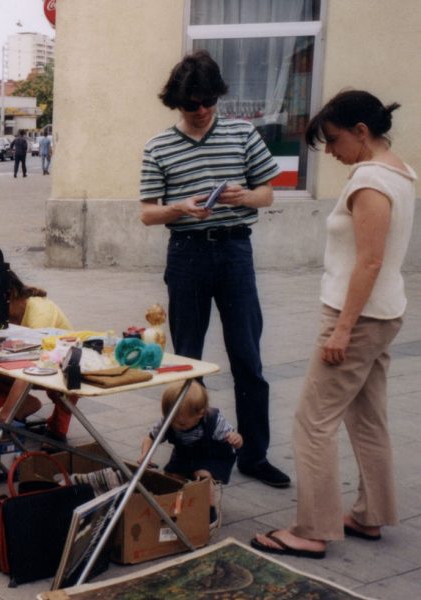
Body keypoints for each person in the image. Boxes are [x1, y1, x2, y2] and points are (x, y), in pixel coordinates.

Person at [251, 91, 414, 559]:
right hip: (381, 313)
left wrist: (342, 329)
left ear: (361, 132)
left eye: (335, 140)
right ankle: (370, 514)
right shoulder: (400, 172)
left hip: (357, 319)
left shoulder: (371, 180)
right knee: (367, 417)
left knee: (312, 422)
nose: (331, 152)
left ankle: (311, 529)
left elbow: (370, 261)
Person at [139, 50, 289, 489]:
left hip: (235, 251)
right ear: (177, 102)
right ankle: (187, 451)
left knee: (247, 356)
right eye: (192, 104)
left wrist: (245, 197)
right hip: (186, 254)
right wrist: (180, 208)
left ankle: (254, 454)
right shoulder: (159, 146)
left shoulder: (243, 134)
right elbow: (147, 213)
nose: (202, 110)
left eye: (209, 101)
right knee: (187, 359)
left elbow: (267, 194)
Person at [0, 271, 77, 443]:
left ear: (12, 294)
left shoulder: (40, 312)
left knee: (61, 377)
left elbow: (30, 363)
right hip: (19, 363)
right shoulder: (3, 312)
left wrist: (4, 418)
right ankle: (18, 407)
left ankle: (51, 427)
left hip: (54, 366)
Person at [139, 381, 243, 526]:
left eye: (182, 424)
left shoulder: (213, 421)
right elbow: (150, 438)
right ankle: (175, 507)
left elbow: (238, 442)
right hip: (184, 455)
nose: (176, 425)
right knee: (172, 478)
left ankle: (209, 511)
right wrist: (146, 455)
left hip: (211, 456)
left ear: (201, 413)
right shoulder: (170, 420)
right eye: (172, 420)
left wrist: (236, 439)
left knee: (203, 476)